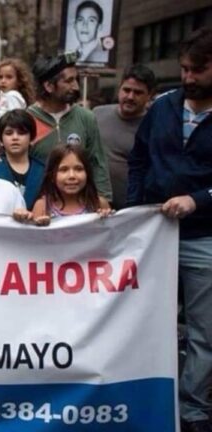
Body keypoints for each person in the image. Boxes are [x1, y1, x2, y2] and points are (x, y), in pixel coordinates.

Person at [127, 27, 212, 432]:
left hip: (203, 237)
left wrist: (199, 199)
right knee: (141, 319)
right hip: (152, 235)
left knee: (203, 331)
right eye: (184, 69)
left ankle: (192, 408)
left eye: (198, 70)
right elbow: (139, 159)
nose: (188, 77)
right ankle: (138, 394)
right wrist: (133, 211)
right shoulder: (163, 107)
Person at [28, 52, 112, 203]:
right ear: (49, 86)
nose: (76, 86)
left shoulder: (86, 118)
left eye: (76, 80)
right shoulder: (27, 119)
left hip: (80, 206)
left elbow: (97, 162)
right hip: (38, 206)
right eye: (69, 81)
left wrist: (103, 198)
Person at [93, 64, 155, 210]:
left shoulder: (154, 126)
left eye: (138, 92)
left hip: (131, 211)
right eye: (126, 90)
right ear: (119, 88)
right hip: (95, 207)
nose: (130, 97)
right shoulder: (96, 114)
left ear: (150, 95)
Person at [31, 144, 111, 225]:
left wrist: (106, 217)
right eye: (64, 170)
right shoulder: (43, 206)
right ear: (51, 176)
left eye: (78, 169)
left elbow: (109, 230)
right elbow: (34, 232)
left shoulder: (98, 204)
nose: (72, 176)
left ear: (87, 173)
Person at [0, 109, 44, 210]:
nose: (15, 137)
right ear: (1, 139)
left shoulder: (43, 170)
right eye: (9, 133)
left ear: (32, 138)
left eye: (21, 133)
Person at [0, 58, 35, 142]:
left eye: (9, 77)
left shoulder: (13, 96)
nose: (3, 81)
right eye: (0, 77)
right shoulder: (3, 96)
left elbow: (14, 121)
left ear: (19, 81)